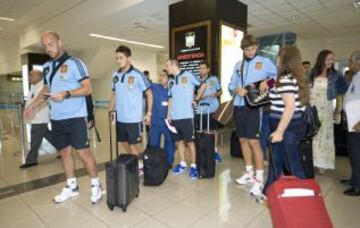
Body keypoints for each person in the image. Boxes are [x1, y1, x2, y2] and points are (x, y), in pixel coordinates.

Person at [24, 31, 102, 204]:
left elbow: (87, 88)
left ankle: (96, 185)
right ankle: (71, 185)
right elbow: (46, 90)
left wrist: (67, 94)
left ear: (60, 42)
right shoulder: (46, 67)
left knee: (83, 153)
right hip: (57, 118)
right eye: (44, 45)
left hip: (75, 117)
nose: (48, 48)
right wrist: (32, 106)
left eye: (50, 43)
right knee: (65, 153)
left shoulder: (75, 63)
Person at [228, 34, 277, 196]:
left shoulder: (264, 62)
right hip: (238, 106)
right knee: (242, 139)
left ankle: (259, 178)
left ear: (257, 47)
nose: (250, 52)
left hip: (255, 108)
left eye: (253, 49)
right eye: (247, 49)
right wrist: (236, 89)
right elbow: (231, 84)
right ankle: (249, 173)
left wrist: (267, 82)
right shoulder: (238, 65)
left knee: (254, 141)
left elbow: (279, 77)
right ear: (242, 50)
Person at [262, 46, 309, 197]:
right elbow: (274, 85)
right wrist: (267, 82)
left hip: (285, 126)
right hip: (289, 124)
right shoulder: (291, 78)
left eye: (278, 56)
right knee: (275, 161)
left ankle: (304, 195)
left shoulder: (285, 80)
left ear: (284, 60)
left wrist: (280, 132)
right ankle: (270, 192)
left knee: (291, 163)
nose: (276, 59)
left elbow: (289, 107)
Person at [108, 45, 153, 174]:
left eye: (121, 58)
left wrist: (149, 113)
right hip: (120, 116)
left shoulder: (137, 74)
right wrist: (111, 109)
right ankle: (135, 160)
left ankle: (140, 165)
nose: (118, 61)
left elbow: (149, 94)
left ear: (129, 58)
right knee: (123, 141)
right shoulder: (115, 75)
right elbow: (114, 93)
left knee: (133, 144)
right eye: (117, 58)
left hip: (133, 118)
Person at [166, 58, 206, 179]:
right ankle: (182, 163)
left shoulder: (188, 75)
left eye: (167, 65)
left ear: (173, 65)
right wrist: (168, 115)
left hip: (187, 116)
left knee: (190, 142)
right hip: (175, 117)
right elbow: (170, 99)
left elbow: (203, 85)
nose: (166, 68)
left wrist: (197, 99)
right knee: (179, 141)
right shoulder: (171, 81)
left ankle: (194, 166)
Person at [309, 50, 348, 175]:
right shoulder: (313, 72)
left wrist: (335, 94)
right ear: (322, 59)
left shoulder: (336, 74)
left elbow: (344, 88)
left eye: (332, 59)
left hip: (326, 108)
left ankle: (322, 164)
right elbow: (306, 87)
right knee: (312, 135)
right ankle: (312, 162)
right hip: (313, 107)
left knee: (324, 135)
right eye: (329, 59)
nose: (331, 61)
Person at [20, 69, 54, 169]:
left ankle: (31, 160)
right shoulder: (34, 87)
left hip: (39, 118)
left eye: (31, 75)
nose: (29, 77)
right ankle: (64, 149)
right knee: (50, 136)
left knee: (35, 139)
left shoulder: (43, 87)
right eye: (29, 75)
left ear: (39, 76)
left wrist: (31, 111)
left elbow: (43, 101)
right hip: (36, 118)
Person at [195, 61, 222, 162]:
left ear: (208, 69)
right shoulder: (196, 81)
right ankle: (204, 151)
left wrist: (215, 94)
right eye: (200, 68)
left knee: (213, 130)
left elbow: (220, 91)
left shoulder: (213, 79)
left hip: (212, 109)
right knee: (202, 130)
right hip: (200, 110)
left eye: (203, 68)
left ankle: (214, 151)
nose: (201, 70)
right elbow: (194, 95)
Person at [148, 69, 175, 167]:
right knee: (154, 143)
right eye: (160, 75)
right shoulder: (154, 87)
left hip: (169, 122)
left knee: (170, 142)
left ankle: (169, 162)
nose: (160, 77)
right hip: (156, 121)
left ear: (168, 78)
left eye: (163, 75)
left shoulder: (173, 89)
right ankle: (156, 162)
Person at [342, 50, 360, 196]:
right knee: (352, 151)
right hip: (352, 119)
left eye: (350, 62)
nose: (349, 64)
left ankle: (358, 185)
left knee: (356, 152)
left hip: (357, 122)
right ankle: (354, 179)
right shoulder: (356, 76)